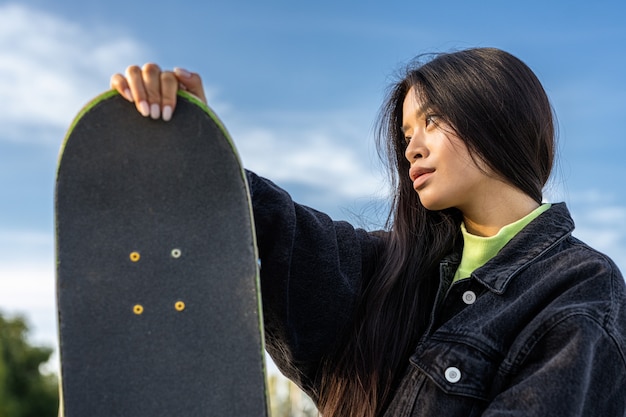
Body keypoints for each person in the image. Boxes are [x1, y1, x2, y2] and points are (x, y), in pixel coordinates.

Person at [110, 47, 626, 416]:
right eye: (405, 134)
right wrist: (199, 146)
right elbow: (283, 233)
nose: (411, 149)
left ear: (498, 116)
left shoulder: (580, 284)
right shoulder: (393, 267)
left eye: (432, 121)